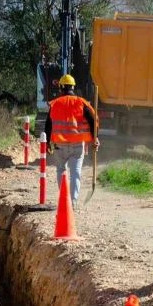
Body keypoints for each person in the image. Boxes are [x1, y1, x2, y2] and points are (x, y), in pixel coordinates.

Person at [44, 74, 99, 207]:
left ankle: (64, 200)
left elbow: (48, 124)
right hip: (77, 144)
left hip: (60, 144)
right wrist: (95, 138)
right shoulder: (82, 102)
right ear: (73, 87)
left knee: (61, 170)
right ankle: (73, 201)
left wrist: (47, 143)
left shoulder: (55, 103)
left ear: (61, 87)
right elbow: (93, 121)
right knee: (76, 172)